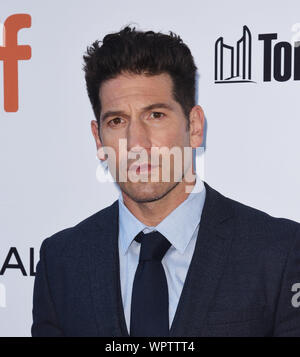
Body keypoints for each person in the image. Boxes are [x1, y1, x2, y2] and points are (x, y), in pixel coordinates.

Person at [31, 25, 300, 337]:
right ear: (98, 137)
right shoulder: (62, 261)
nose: (136, 142)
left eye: (155, 115)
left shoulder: (278, 251)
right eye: (117, 121)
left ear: (195, 126)